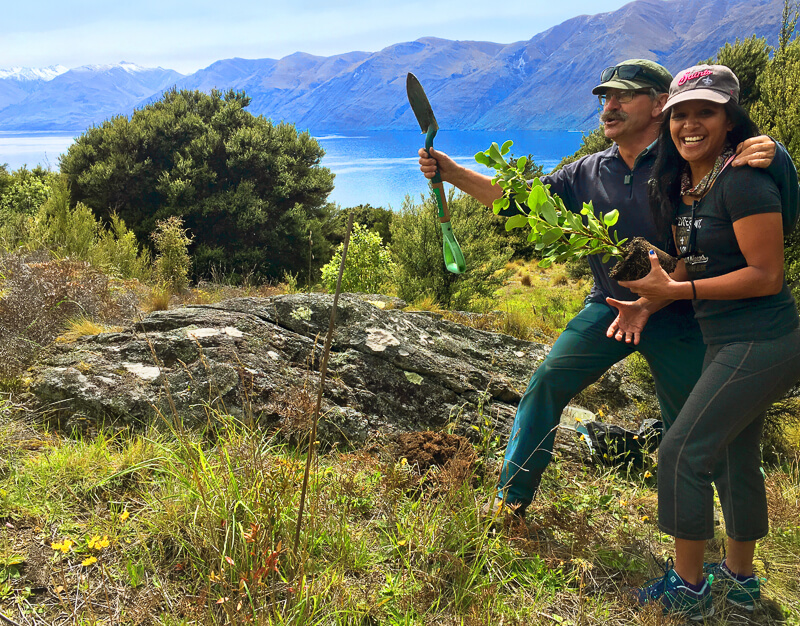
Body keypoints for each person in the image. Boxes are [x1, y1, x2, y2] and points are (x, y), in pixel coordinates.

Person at [417, 59, 796, 518]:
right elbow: (520, 203)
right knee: (547, 381)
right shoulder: (587, 172)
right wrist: (452, 171)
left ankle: (723, 553)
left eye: (623, 95)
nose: (608, 106)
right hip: (611, 310)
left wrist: (779, 157)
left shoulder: (691, 160)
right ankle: (509, 503)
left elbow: (767, 208)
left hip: (685, 316)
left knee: (705, 434)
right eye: (604, 97)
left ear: (660, 104)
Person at [607, 64, 800, 620]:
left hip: (761, 341)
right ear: (667, 120)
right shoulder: (690, 185)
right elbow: (700, 263)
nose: (691, 124)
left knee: (683, 452)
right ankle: (739, 582)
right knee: (735, 456)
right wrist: (649, 300)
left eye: (706, 112)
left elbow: (767, 275)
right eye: (680, 114)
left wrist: (677, 287)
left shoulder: (744, 177)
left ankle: (687, 590)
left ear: (729, 117)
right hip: (728, 340)